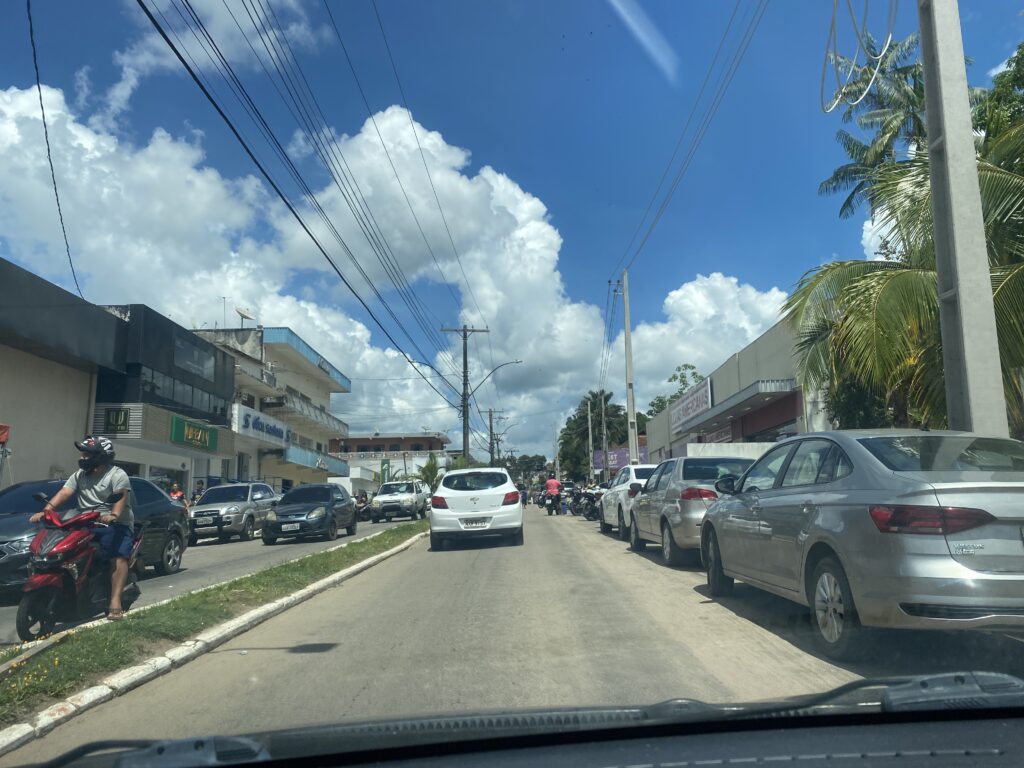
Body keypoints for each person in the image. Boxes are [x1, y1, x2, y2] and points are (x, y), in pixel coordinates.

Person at [29, 436, 134, 620]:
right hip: (84, 521)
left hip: (113, 524)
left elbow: (120, 497)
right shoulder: (79, 475)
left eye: (87, 454)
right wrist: (47, 510)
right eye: (82, 454)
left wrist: (113, 516)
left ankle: (115, 601)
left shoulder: (117, 475)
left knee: (118, 557)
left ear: (101, 456)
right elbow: (64, 492)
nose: (83, 458)